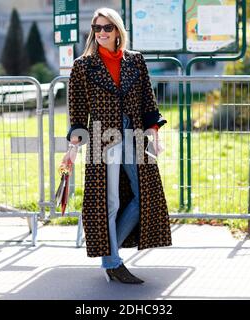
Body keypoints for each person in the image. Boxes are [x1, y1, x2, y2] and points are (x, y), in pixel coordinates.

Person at [61, 7, 172, 284]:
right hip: (102, 137)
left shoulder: (135, 61)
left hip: (134, 134)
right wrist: (73, 147)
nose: (101, 33)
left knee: (143, 195)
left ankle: (108, 253)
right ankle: (112, 261)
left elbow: (148, 100)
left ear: (118, 30)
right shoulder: (83, 66)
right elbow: (77, 110)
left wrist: (154, 132)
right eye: (97, 28)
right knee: (108, 201)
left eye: (107, 28)